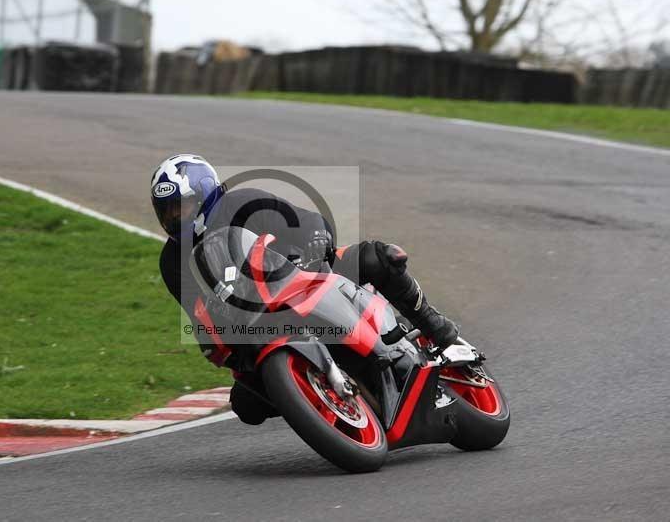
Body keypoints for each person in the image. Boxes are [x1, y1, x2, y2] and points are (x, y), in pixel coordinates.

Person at [152, 154, 458, 425]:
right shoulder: (171, 261)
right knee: (246, 405)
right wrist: (214, 339)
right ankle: (313, 398)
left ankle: (432, 322)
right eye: (167, 212)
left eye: (181, 207)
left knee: (377, 257)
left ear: (205, 194)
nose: (174, 218)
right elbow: (197, 310)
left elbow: (306, 221)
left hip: (309, 274)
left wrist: (316, 239)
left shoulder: (243, 203)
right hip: (256, 323)